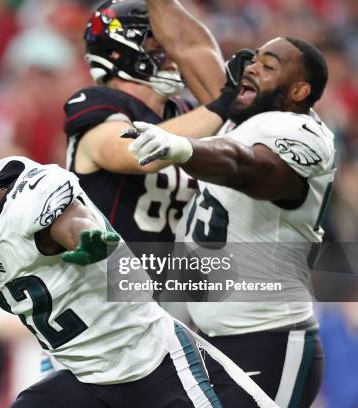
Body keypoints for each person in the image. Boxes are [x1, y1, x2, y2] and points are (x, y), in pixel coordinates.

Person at [0, 136, 276, 407]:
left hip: (151, 363)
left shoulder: (31, 203)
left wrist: (88, 244)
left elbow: (72, 222)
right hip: (87, 380)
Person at [127, 36, 334, 408]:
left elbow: (248, 167)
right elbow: (191, 46)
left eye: (268, 66)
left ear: (300, 91)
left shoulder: (303, 133)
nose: (252, 67)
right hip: (210, 340)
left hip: (269, 340)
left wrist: (182, 147)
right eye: (253, 60)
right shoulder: (242, 119)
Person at [64, 0, 227, 245]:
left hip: (176, 273)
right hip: (109, 274)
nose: (172, 52)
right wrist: (226, 104)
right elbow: (138, 152)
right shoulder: (96, 102)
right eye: (158, 43)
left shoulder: (187, 112)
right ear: (117, 50)